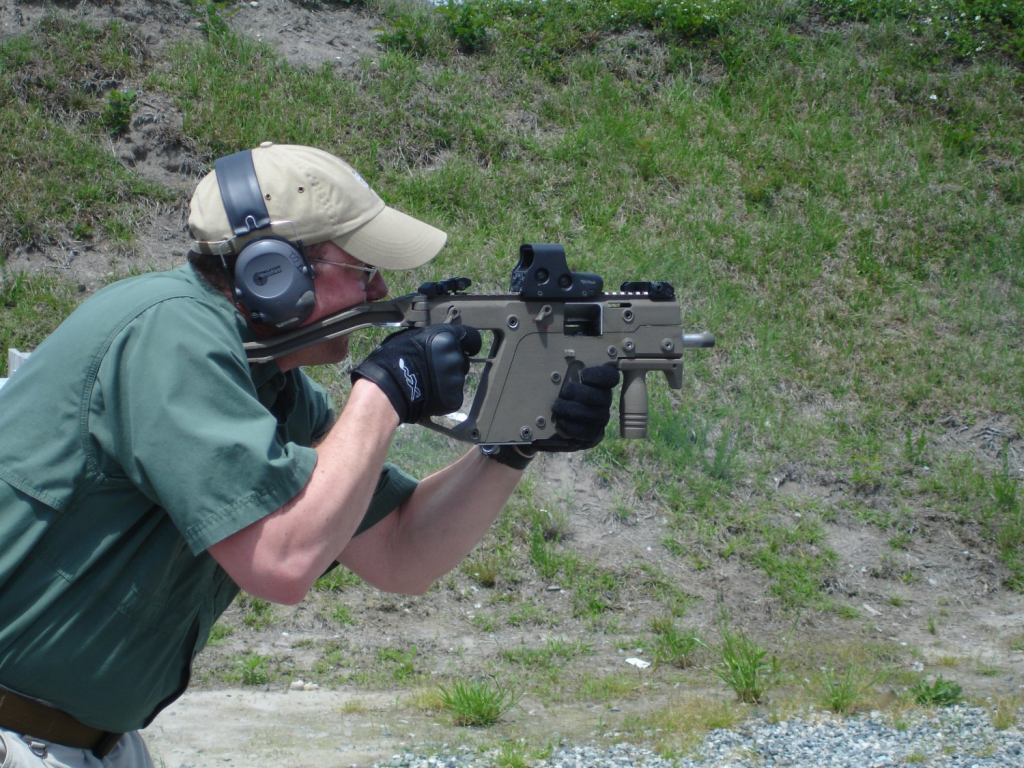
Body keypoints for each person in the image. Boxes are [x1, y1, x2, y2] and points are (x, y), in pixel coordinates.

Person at [0, 143, 618, 766]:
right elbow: (281, 560)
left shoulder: (268, 385)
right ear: (272, 272)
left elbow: (399, 552)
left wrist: (510, 448)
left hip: (75, 743)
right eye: (363, 268)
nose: (380, 288)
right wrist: (383, 392)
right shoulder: (172, 333)